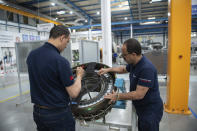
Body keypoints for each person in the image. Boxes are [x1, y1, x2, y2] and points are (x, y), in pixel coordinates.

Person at [26, 25, 84, 131]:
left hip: (38, 113)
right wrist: (79, 76)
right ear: (62, 38)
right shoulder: (60, 61)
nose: (66, 45)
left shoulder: (31, 55)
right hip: (57, 114)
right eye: (67, 41)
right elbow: (74, 93)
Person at [98, 38, 163, 131]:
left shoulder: (146, 69)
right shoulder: (134, 63)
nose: (123, 58)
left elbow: (138, 94)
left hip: (150, 110)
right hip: (141, 108)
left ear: (133, 54)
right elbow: (123, 69)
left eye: (125, 56)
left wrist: (117, 96)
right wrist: (108, 70)